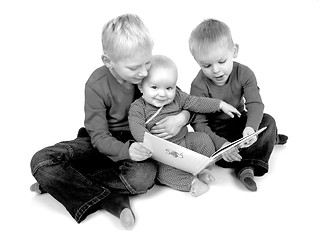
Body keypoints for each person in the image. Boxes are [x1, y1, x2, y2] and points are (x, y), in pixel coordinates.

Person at [30, 14, 191, 230]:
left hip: (139, 141)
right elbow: (98, 136)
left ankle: (62, 184)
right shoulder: (97, 84)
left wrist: (182, 118)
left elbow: (183, 101)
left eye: (147, 62)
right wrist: (126, 151)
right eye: (134, 68)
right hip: (101, 141)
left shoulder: (147, 72)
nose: (143, 72)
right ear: (108, 61)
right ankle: (109, 199)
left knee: (144, 177)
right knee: (41, 161)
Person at [188, 19, 288, 192]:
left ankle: (248, 165)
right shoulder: (198, 85)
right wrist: (221, 145)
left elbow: (255, 103)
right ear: (197, 61)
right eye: (207, 65)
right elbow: (199, 124)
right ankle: (266, 142)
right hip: (217, 132)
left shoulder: (244, 73)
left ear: (234, 51)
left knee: (268, 121)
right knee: (209, 148)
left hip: (240, 121)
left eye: (221, 61)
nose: (216, 70)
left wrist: (250, 127)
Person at [128, 54, 241, 197]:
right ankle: (191, 183)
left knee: (203, 139)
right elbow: (137, 128)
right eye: (155, 87)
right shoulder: (138, 107)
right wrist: (150, 143)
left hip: (185, 140)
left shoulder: (178, 98)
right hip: (163, 155)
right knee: (163, 172)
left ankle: (202, 169)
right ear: (141, 87)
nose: (162, 94)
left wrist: (220, 104)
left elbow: (198, 102)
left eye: (169, 88)